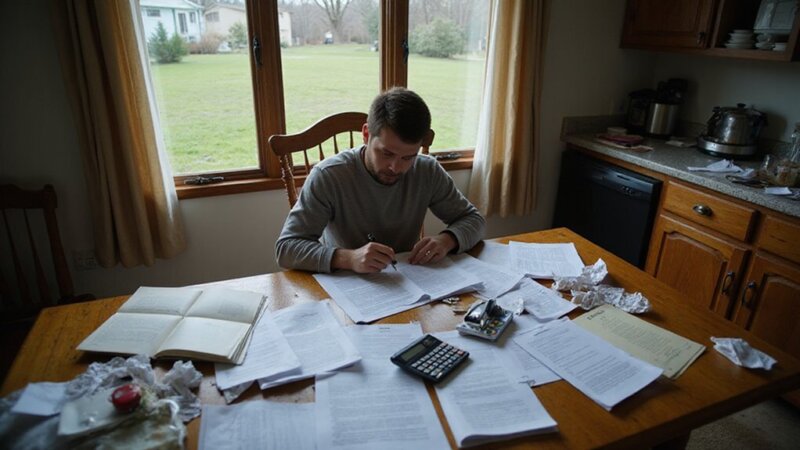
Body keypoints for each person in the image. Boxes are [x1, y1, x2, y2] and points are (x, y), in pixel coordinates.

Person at [275, 87, 485, 273]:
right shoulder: (328, 175)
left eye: (408, 157)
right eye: (386, 153)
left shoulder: (426, 170)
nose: (396, 167)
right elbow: (287, 248)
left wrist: (447, 240)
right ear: (366, 135)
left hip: (409, 280)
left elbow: (473, 219)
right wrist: (348, 258)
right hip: (347, 282)